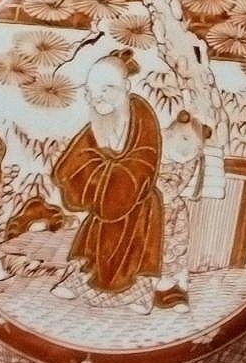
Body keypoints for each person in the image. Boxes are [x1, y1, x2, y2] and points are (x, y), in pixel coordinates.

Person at [50, 49, 163, 310]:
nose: (98, 97)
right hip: (104, 201)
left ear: (126, 87)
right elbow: (75, 160)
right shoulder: (100, 118)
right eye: (92, 91)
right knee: (91, 244)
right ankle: (76, 283)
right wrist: (97, 172)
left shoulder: (142, 115)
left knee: (137, 250)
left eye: (107, 89)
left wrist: (112, 174)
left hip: (139, 203)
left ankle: (139, 296)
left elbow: (145, 160)